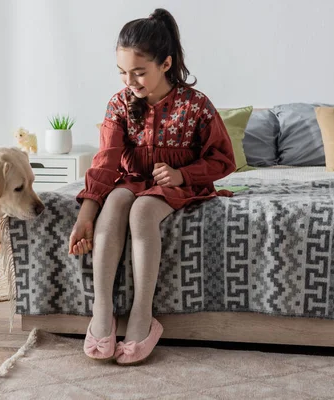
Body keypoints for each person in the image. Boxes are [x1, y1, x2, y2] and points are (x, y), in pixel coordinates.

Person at [69, 8, 236, 365]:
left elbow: (224, 160)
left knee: (143, 210)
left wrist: (182, 175)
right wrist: (86, 213)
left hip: (177, 186)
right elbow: (106, 160)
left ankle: (142, 317)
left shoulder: (197, 106)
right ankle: (102, 310)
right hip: (132, 179)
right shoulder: (119, 104)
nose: (130, 80)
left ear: (165, 64)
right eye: (123, 72)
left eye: (139, 72)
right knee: (114, 203)